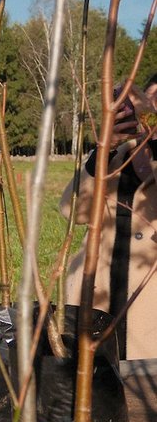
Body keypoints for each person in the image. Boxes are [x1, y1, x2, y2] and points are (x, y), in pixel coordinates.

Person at [60, 74, 157, 360]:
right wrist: (105, 149)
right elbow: (72, 211)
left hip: (147, 305)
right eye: (148, 100)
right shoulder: (114, 156)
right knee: (94, 388)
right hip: (99, 289)